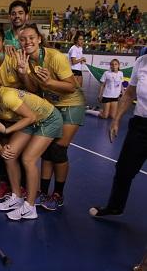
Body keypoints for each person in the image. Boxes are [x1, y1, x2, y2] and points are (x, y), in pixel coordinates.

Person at [0, 67, 63, 219]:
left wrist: (7, 131)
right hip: (27, 121)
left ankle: (30, 207)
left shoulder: (6, 96)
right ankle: (17, 197)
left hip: (48, 119)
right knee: (9, 155)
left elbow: (31, 117)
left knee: (28, 159)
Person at [18, 24, 85, 211]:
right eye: (23, 39)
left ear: (39, 39)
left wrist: (49, 82)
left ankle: (58, 194)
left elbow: (71, 86)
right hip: (52, 105)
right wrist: (23, 75)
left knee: (58, 150)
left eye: (31, 38)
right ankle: (43, 192)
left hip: (72, 104)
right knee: (47, 152)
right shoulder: (27, 60)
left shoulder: (55, 57)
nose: (27, 42)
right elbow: (34, 90)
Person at [89, 53, 147, 217]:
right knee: (124, 169)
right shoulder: (141, 62)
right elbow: (129, 94)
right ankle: (115, 207)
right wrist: (116, 120)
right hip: (140, 125)